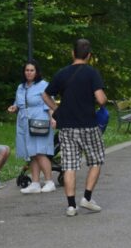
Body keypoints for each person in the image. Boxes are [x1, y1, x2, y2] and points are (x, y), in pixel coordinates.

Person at [42, 38, 108, 216]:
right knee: (96, 160)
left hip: (67, 127)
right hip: (88, 125)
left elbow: (45, 95)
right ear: (89, 55)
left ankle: (71, 206)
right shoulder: (92, 73)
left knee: (69, 165)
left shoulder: (62, 73)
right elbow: (101, 99)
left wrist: (57, 109)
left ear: (73, 53)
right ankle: (87, 198)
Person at [8, 61, 55, 194]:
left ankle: (49, 182)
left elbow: (49, 103)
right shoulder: (21, 87)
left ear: (37, 72)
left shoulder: (43, 85)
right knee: (32, 153)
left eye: (32, 70)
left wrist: (53, 118)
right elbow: (18, 103)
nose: (29, 73)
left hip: (39, 120)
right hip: (24, 122)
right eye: (27, 70)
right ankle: (35, 183)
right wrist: (14, 107)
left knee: (40, 152)